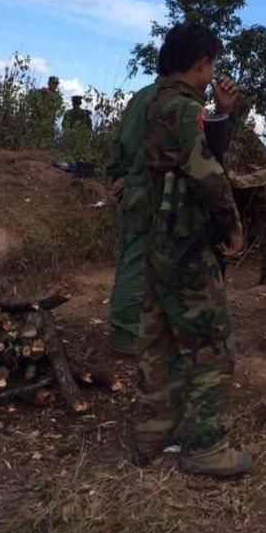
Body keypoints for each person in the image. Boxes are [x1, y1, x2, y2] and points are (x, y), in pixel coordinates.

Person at [134, 23, 249, 477]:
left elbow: (178, 159)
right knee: (209, 342)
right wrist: (232, 225)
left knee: (159, 336)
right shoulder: (184, 109)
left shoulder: (152, 102)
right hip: (187, 242)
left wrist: (221, 112)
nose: (213, 73)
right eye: (211, 66)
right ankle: (204, 447)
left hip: (158, 240)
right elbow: (206, 174)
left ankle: (154, 431)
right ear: (201, 64)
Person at [106, 79, 160, 354]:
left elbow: (118, 140)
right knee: (137, 263)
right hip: (145, 192)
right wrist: (132, 178)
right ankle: (126, 335)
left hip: (132, 192)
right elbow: (152, 151)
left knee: (131, 260)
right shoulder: (167, 99)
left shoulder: (142, 95)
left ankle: (130, 327)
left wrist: (119, 175)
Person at [27, 75, 64, 147]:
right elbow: (30, 97)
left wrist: (49, 93)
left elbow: (58, 105)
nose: (55, 86)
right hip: (37, 121)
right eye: (53, 83)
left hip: (49, 123)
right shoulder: (40, 92)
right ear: (49, 83)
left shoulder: (57, 96)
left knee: (47, 142)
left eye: (56, 84)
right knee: (34, 141)